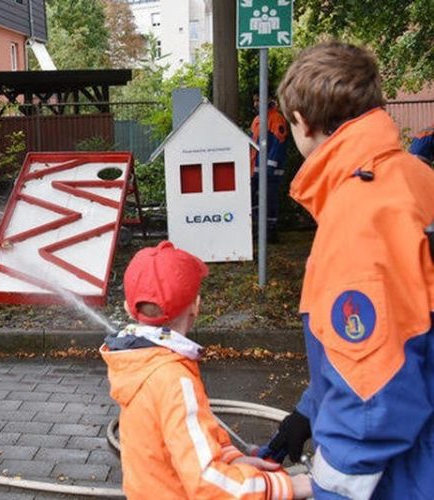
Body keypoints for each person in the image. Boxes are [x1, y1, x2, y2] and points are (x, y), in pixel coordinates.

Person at [262, 41, 434, 498]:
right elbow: (398, 335)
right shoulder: (415, 178)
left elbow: (371, 397)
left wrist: (329, 490)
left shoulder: (357, 219)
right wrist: (310, 411)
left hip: (410, 474)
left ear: (299, 122)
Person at [100, 241, 312, 500]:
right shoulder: (175, 378)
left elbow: (190, 441)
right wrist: (288, 487)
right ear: (196, 306)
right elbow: (207, 482)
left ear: (126, 307)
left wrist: (234, 460)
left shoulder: (136, 362)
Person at [250, 93, 289, 243]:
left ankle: (271, 231)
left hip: (270, 170)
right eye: (255, 101)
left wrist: (270, 166)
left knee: (269, 198)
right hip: (256, 168)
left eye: (259, 100)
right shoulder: (257, 120)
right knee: (255, 198)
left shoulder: (276, 118)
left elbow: (279, 144)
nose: (256, 104)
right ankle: (261, 228)